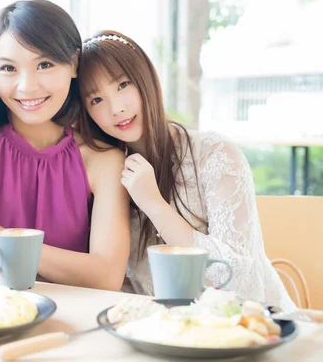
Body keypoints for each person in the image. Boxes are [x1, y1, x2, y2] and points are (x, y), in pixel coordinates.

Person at [77, 30, 295, 310]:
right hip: (167, 335)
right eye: (96, 100)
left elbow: (241, 281)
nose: (116, 108)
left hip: (249, 328)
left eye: (123, 85)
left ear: (146, 78)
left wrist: (154, 205)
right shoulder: (106, 174)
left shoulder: (215, 153)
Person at [0, 0, 130, 291]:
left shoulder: (103, 159)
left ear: (74, 63)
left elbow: (106, 277)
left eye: (44, 64)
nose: (27, 86)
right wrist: (67, 268)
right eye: (9, 68)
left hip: (73, 320)